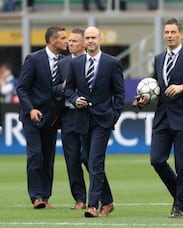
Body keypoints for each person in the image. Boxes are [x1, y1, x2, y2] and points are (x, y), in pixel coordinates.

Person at [134, 18, 183, 218]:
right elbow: (156, 87)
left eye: (173, 32)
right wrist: (143, 100)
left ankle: (181, 207)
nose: (169, 35)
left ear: (180, 34)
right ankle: (179, 194)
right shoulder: (159, 59)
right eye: (166, 32)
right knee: (156, 160)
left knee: (182, 164)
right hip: (162, 117)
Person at [65, 26, 125, 218]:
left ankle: (92, 205)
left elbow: (120, 93)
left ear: (100, 40)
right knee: (86, 159)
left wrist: (113, 116)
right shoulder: (75, 64)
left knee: (95, 161)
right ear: (84, 41)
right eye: (88, 38)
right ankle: (107, 201)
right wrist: (75, 99)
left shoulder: (112, 63)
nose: (91, 40)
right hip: (82, 119)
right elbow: (68, 89)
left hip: (102, 120)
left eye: (94, 37)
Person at [16, 26, 68, 209]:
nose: (66, 41)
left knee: (49, 156)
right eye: (63, 38)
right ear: (52, 40)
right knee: (35, 154)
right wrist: (30, 109)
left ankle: (45, 197)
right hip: (32, 116)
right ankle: (36, 197)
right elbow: (21, 88)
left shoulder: (65, 62)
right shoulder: (33, 59)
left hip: (52, 118)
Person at [56, 28, 88, 210]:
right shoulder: (63, 64)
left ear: (84, 43)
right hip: (68, 114)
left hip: (88, 115)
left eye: (75, 41)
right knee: (72, 158)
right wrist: (62, 88)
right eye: (69, 40)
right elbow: (54, 88)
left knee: (88, 157)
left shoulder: (93, 62)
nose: (70, 44)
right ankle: (80, 199)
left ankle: (100, 195)